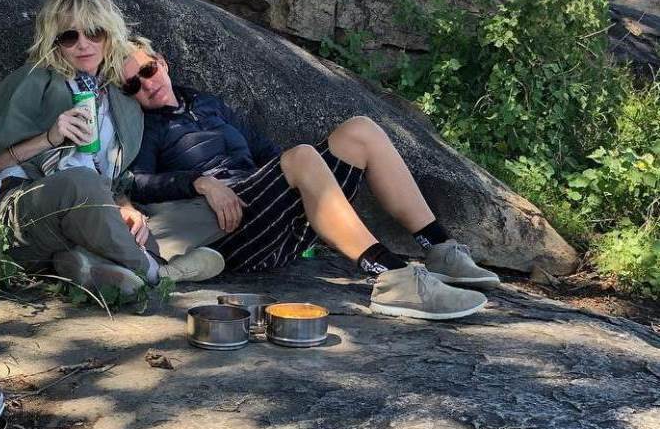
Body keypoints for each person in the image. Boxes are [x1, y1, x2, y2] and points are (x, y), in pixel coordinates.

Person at [121, 38, 499, 320]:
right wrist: (200, 182)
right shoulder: (148, 127)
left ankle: (440, 249)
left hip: (267, 207)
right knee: (301, 156)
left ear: (162, 63)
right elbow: (136, 182)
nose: (147, 85)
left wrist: (301, 178)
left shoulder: (206, 103)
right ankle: (393, 277)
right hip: (232, 231)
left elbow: (265, 151)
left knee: (361, 130)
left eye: (148, 71)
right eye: (133, 85)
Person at [0, 0, 224, 297]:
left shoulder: (121, 100)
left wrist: (125, 208)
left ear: (109, 35)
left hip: (94, 212)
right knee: (80, 182)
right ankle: (157, 275)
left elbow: (114, 179)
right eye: (69, 36)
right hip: (30, 219)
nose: (83, 45)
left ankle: (86, 263)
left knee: (209, 211)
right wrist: (49, 138)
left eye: (94, 32)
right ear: (54, 41)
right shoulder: (32, 81)